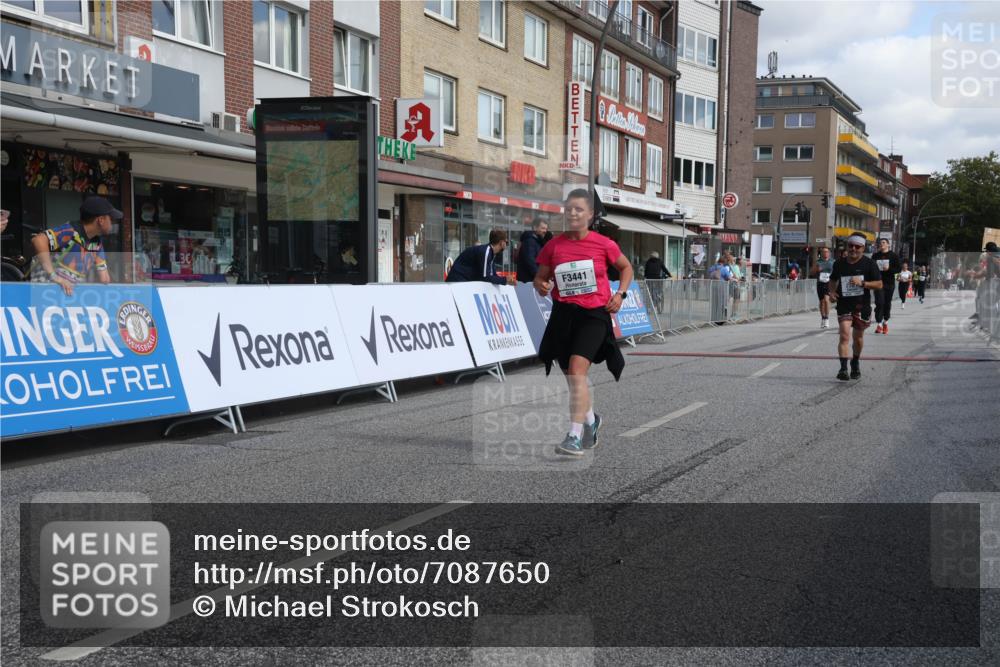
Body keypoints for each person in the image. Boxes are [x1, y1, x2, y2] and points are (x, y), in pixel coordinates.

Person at [533, 189, 633, 457]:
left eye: (579, 209)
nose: (573, 213)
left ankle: (574, 436)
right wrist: (541, 285)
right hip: (563, 315)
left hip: (594, 315)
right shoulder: (553, 246)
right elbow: (539, 277)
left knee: (577, 370)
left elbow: (626, 268)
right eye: (569, 209)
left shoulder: (604, 244)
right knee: (572, 377)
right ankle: (591, 420)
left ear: (590, 214)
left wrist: (620, 293)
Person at [30, 195, 118, 296]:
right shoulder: (70, 231)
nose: (113, 223)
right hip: (44, 291)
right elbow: (38, 240)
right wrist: (54, 277)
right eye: (111, 219)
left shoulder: (97, 243)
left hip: (67, 295)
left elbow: (105, 279)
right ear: (101, 220)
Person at [826, 234, 883, 381]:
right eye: (850, 245)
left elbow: (879, 284)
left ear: (863, 248)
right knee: (844, 335)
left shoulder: (869, 264)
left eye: (857, 246)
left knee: (858, 338)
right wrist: (831, 292)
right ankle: (843, 368)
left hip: (862, 305)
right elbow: (832, 280)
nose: (853, 249)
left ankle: (855, 361)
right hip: (844, 304)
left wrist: (863, 283)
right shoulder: (839, 263)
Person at [445, 229, 513, 284]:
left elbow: (492, 275)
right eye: (506, 242)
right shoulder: (486, 252)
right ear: (501, 243)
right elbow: (485, 277)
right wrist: (504, 280)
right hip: (457, 280)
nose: (506, 245)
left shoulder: (491, 253)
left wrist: (505, 280)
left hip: (463, 280)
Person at [871, 237, 901, 334]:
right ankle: (879, 324)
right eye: (880, 243)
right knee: (879, 302)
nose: (881, 244)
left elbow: (898, 269)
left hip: (889, 283)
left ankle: (885, 322)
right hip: (878, 282)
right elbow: (870, 268)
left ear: (888, 244)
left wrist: (889, 269)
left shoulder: (893, 256)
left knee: (887, 303)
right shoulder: (875, 256)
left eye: (884, 242)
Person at [516, 218, 549, 283]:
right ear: (535, 228)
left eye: (546, 229)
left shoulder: (537, 242)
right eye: (542, 228)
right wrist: (540, 277)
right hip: (528, 283)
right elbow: (530, 262)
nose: (545, 231)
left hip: (532, 281)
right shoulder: (529, 241)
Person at [811, 246, 835, 328]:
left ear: (829, 253)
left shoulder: (832, 262)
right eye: (823, 252)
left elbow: (836, 272)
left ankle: (827, 319)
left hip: (829, 283)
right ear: (821, 253)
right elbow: (812, 272)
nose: (825, 253)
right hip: (820, 283)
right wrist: (817, 270)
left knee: (826, 300)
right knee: (821, 302)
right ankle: (823, 318)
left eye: (826, 252)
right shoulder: (818, 262)